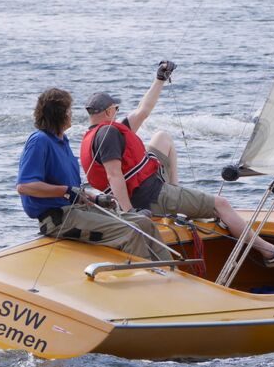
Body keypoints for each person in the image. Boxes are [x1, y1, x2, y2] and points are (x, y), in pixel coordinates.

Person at [79, 61, 274, 268]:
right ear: (109, 111)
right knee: (221, 204)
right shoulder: (108, 134)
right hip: (149, 195)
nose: (117, 114)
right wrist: (130, 214)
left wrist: (159, 79)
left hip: (147, 187)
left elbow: (143, 111)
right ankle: (270, 253)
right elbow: (114, 176)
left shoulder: (100, 133)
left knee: (163, 137)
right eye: (116, 110)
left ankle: (176, 192)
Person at [16, 88, 173, 261]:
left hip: (78, 209)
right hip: (58, 220)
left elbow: (71, 190)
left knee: (142, 222)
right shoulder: (39, 141)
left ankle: (169, 273)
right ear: (58, 114)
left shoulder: (62, 141)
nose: (71, 114)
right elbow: (24, 187)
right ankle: (145, 278)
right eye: (68, 110)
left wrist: (94, 198)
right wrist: (64, 191)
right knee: (130, 231)